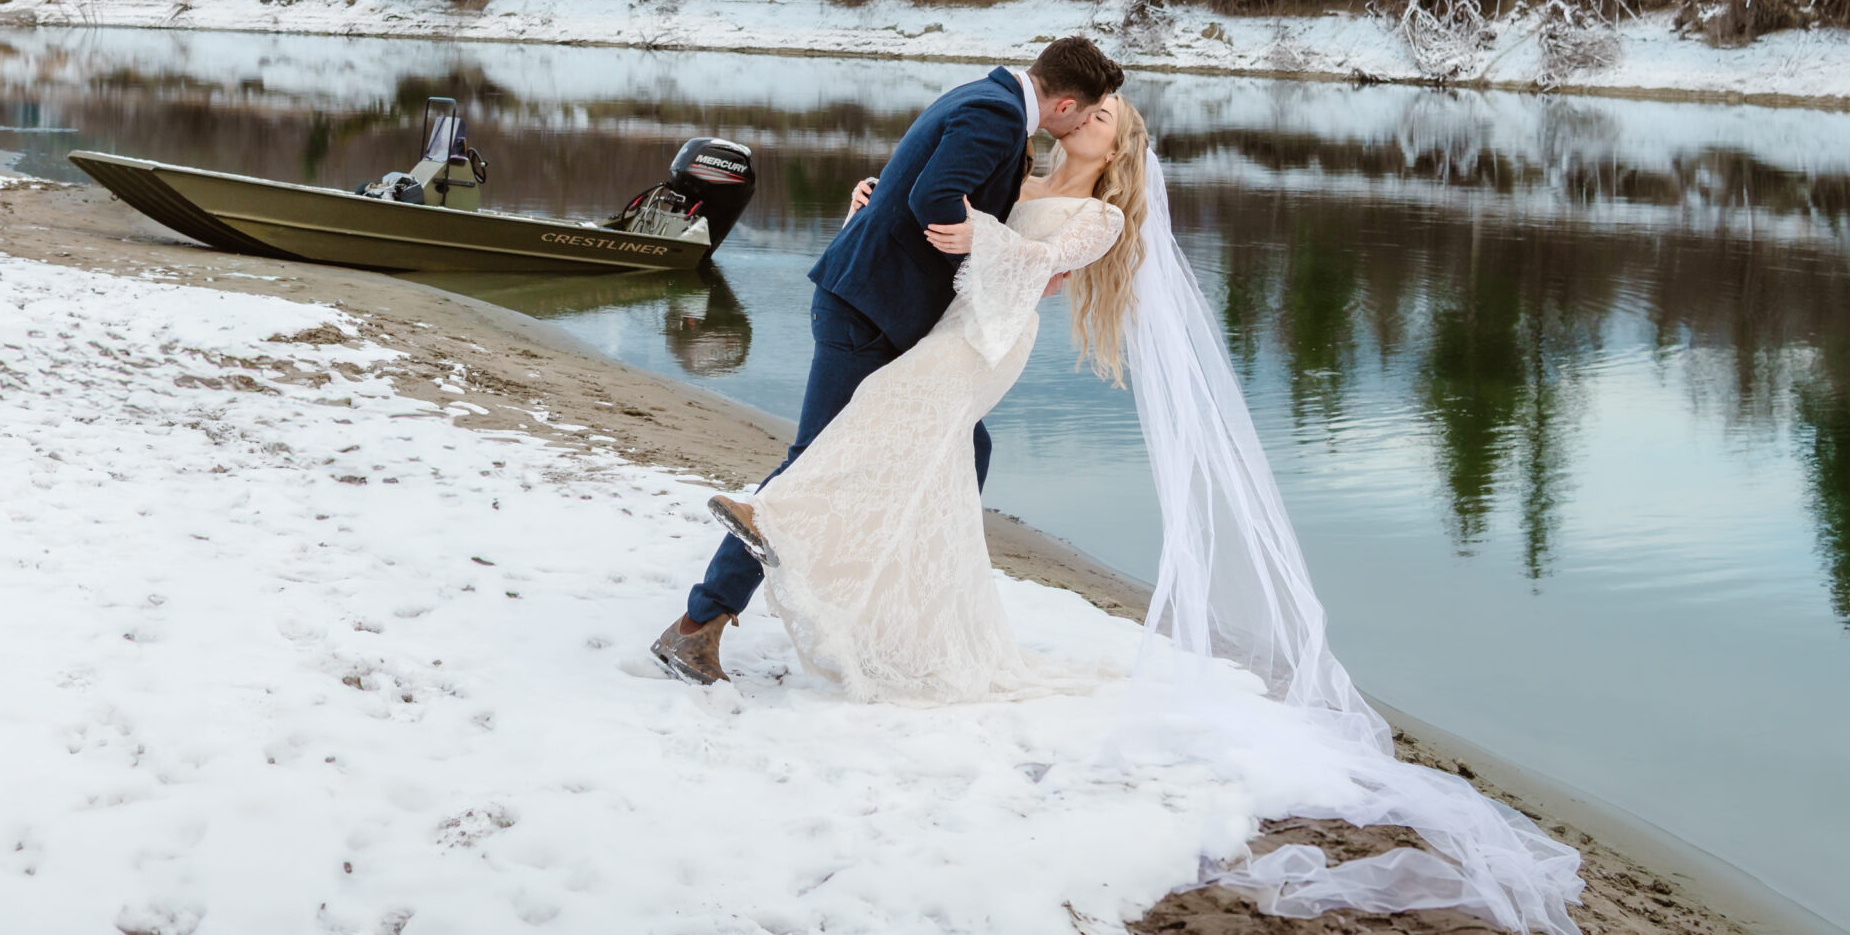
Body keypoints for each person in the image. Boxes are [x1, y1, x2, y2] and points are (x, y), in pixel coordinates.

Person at [667, 91, 1589, 933]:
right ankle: (826, 585)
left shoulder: (1101, 212)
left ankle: (768, 536)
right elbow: (944, 213)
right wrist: (883, 200)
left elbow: (1020, 262)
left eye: (1105, 115)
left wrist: (976, 240)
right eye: (1089, 105)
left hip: (984, 340)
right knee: (926, 459)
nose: (1087, 115)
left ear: (1116, 148)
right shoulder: (1020, 165)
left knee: (871, 437)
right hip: (949, 326)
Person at [649, 35, 1123, 686]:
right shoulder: (997, 114)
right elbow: (935, 198)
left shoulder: (987, 103)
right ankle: (696, 627)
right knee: (811, 467)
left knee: (966, 450)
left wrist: (894, 203)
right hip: (870, 311)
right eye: (1088, 111)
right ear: (1065, 103)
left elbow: (925, 182)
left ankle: (893, 611)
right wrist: (991, 251)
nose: (1085, 123)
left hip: (896, 319)